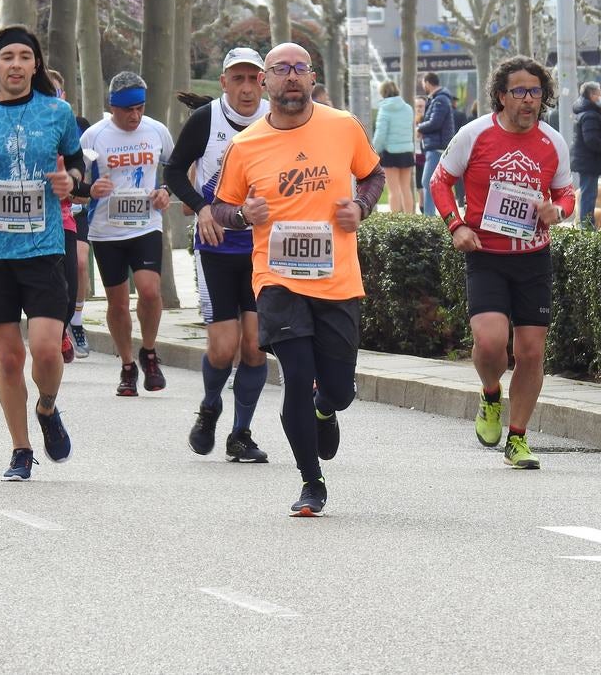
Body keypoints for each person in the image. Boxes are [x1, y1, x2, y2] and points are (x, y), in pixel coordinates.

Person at [210, 42, 385, 516]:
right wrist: (244, 214)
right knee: (296, 379)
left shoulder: (342, 126)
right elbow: (221, 207)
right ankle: (312, 481)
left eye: (299, 69)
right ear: (265, 81)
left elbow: (373, 175)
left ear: (312, 78)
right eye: (280, 69)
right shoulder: (245, 145)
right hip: (278, 280)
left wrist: (361, 207)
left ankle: (326, 407)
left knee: (339, 389)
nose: (290, 77)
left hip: (338, 280)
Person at [0, 24, 83, 481]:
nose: (17, 65)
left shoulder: (58, 113)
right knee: (8, 358)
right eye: (8, 57)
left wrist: (72, 183)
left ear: (36, 65)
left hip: (44, 249)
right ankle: (21, 449)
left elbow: (77, 167)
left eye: (26, 56)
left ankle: (47, 406)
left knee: (47, 352)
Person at [429, 55, 576, 468]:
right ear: (500, 95)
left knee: (531, 351)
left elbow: (567, 193)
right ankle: (491, 392)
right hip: (487, 256)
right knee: (491, 342)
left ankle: (518, 437)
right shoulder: (475, 134)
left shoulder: (553, 141)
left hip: (533, 257)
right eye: (519, 92)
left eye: (535, 92)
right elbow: (440, 180)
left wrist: (558, 211)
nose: (528, 100)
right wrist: (457, 226)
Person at [164, 47, 272, 462]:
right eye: (237, 79)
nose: (246, 88)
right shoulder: (206, 119)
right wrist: (202, 206)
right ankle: (210, 406)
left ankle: (241, 434)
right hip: (217, 247)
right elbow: (173, 170)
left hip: (263, 250)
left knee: (255, 346)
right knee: (224, 348)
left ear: (263, 81)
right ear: (224, 82)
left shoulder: (274, 118)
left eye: (253, 79)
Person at [79, 72, 173, 397]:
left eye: (140, 108)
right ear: (112, 107)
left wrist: (165, 191)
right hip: (106, 231)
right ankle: (128, 365)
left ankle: (149, 353)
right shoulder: (94, 136)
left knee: (149, 291)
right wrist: (91, 189)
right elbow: (78, 184)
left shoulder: (157, 130)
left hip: (146, 224)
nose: (134, 116)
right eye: (127, 110)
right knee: (117, 303)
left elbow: (174, 169)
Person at [45, 68, 84, 365]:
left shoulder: (72, 128)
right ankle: (53, 333)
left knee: (69, 287)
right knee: (47, 287)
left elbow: (80, 175)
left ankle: (64, 328)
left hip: (65, 220)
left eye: (55, 93)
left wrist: (75, 184)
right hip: (33, 224)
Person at [570, 81, 601, 229]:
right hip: (588, 161)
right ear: (592, 95)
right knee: (588, 195)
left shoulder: (593, 112)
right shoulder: (589, 115)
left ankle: (587, 226)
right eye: (599, 93)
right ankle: (587, 228)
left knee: (589, 194)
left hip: (589, 161)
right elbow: (592, 140)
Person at [371, 80, 415, 213]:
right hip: (407, 151)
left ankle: (395, 220)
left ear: (383, 93)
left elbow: (380, 134)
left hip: (390, 153)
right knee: (406, 188)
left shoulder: (384, 110)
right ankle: (410, 219)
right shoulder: (408, 108)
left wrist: (374, 150)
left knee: (393, 190)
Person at [417, 72, 455, 215]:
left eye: (423, 84)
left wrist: (419, 128)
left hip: (436, 147)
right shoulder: (439, 99)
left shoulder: (440, 100)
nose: (423, 87)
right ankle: (431, 216)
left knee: (427, 182)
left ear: (427, 82)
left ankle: (429, 218)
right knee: (429, 182)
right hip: (436, 146)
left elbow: (435, 122)